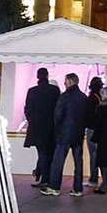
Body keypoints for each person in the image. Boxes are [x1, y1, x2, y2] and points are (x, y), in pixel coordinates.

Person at [53, 73, 94, 196]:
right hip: (78, 134)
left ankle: (54, 186)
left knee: (58, 161)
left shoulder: (64, 96)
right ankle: (78, 188)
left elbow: (58, 115)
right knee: (78, 162)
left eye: (65, 81)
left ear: (70, 82)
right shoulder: (83, 97)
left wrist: (57, 129)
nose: (64, 83)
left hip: (64, 134)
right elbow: (88, 116)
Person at [23, 67, 60, 195]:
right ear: (47, 76)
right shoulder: (54, 90)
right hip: (52, 128)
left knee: (42, 154)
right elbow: (58, 108)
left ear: (38, 76)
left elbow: (27, 109)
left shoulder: (32, 91)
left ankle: (44, 178)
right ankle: (48, 179)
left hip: (37, 128)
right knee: (50, 154)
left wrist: (32, 121)